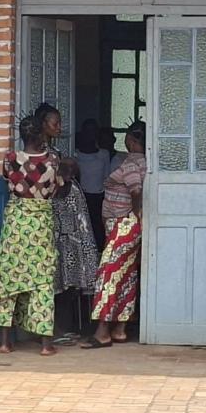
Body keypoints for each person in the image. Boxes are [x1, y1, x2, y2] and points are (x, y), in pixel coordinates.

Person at [0, 114, 60, 356]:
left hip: (15, 225)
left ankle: (5, 343)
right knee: (43, 280)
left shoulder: (10, 159)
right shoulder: (52, 161)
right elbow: (55, 188)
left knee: (9, 277)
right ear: (41, 135)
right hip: (40, 226)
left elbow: (9, 179)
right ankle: (45, 344)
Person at [81, 121, 146, 349]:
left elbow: (136, 190)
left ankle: (102, 332)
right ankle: (120, 329)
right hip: (127, 225)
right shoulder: (145, 161)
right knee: (126, 275)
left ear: (131, 139)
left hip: (124, 224)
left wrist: (135, 214)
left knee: (107, 274)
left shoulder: (132, 162)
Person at [52, 157, 99, 296]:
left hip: (59, 238)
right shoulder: (73, 189)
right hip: (72, 239)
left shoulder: (54, 188)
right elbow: (81, 217)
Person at [74, 120, 108, 249]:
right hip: (81, 196)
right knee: (82, 226)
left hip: (99, 197)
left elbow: (107, 176)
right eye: (87, 131)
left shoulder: (103, 154)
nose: (90, 134)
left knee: (98, 227)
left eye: (93, 131)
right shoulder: (75, 154)